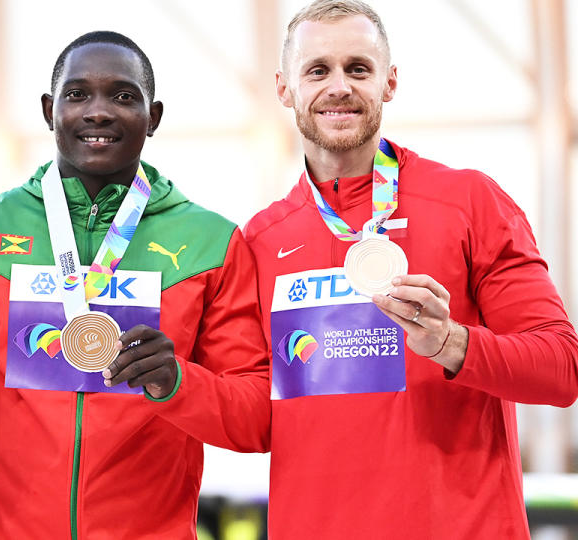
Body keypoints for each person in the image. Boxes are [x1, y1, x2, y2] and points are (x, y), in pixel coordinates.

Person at [243, 1, 578, 538]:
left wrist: (452, 344)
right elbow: (249, 411)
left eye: (358, 68)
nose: (338, 86)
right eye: (317, 70)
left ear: (389, 82)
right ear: (284, 89)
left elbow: (562, 369)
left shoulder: (470, 201)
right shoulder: (260, 239)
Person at [0, 31, 270, 538]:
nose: (98, 111)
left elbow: (255, 418)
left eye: (123, 95)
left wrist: (176, 382)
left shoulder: (212, 244)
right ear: (49, 110)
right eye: (77, 94)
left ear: (153, 117)